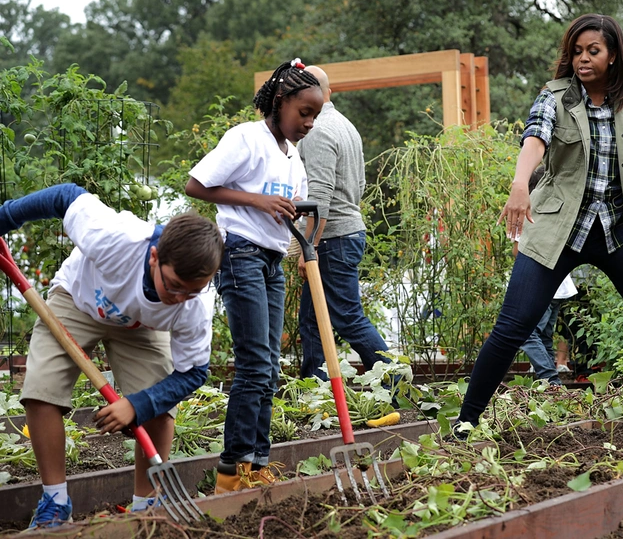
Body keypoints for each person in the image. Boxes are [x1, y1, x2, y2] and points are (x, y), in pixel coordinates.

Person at [454, 14, 623, 441]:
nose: (582, 59)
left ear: (613, 56)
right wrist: (519, 184)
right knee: (512, 326)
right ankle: (464, 424)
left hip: (622, 232)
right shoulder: (555, 97)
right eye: (577, 51)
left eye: (592, 51)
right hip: (558, 230)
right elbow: (535, 141)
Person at [0, 183, 224, 528]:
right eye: (174, 285)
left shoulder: (193, 304)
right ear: (154, 257)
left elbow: (193, 372)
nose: (181, 297)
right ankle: (55, 502)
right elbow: (66, 197)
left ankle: (145, 506)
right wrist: (4, 218)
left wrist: (138, 404)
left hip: (143, 327)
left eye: (192, 291)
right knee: (41, 391)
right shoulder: (117, 238)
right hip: (79, 300)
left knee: (160, 411)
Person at [185, 58, 324, 493]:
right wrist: (257, 202)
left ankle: (256, 463)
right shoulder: (246, 138)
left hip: (271, 258)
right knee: (254, 364)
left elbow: (292, 205)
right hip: (240, 251)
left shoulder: (292, 156)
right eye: (304, 112)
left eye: (315, 116)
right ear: (280, 102)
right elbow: (196, 185)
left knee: (270, 365)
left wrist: (294, 212)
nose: (309, 123)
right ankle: (230, 471)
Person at [295, 65, 392, 380]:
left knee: (349, 318)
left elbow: (319, 196)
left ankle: (395, 378)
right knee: (310, 320)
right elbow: (360, 184)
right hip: (345, 232)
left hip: (331, 239)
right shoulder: (345, 125)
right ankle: (316, 386)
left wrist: (309, 246)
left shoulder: (317, 131)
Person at [517, 166, 578, 386]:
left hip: (539, 284)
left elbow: (518, 251)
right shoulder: (560, 212)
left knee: (527, 332)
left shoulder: (527, 212)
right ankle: (547, 384)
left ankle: (550, 379)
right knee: (543, 335)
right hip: (560, 287)